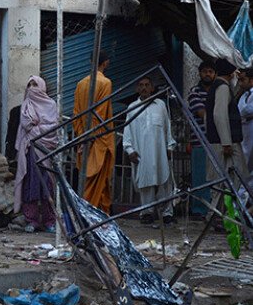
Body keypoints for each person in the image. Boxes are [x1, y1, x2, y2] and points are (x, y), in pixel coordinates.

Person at [123, 76, 176, 226]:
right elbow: (127, 131)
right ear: (137, 89)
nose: (144, 88)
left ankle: (167, 213)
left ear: (152, 88)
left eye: (147, 85)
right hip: (142, 151)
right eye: (141, 85)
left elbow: (167, 127)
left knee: (164, 182)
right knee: (145, 183)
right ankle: (147, 212)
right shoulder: (132, 107)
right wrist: (129, 150)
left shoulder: (160, 105)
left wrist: (169, 146)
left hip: (160, 151)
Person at [205, 58, 246, 230]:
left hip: (219, 141)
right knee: (227, 179)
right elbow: (219, 115)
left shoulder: (220, 87)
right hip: (223, 143)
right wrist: (226, 142)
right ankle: (215, 216)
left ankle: (221, 216)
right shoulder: (221, 88)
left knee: (225, 180)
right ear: (230, 73)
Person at [72, 49, 115, 214]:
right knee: (97, 184)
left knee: (96, 184)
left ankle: (98, 218)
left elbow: (77, 116)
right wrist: (89, 140)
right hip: (98, 141)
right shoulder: (105, 83)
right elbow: (99, 115)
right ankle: (90, 217)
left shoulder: (81, 83)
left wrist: (82, 138)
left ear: (91, 62)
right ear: (106, 63)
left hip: (85, 139)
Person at [14, 75, 58, 233]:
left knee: (47, 186)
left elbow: (52, 128)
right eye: (29, 85)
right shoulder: (26, 105)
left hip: (45, 151)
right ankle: (31, 220)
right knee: (30, 185)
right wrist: (38, 128)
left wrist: (36, 129)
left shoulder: (51, 105)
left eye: (35, 84)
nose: (32, 88)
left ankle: (49, 221)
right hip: (30, 151)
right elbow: (26, 124)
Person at [187, 60, 215, 218]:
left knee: (213, 178)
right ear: (200, 73)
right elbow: (201, 112)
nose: (208, 74)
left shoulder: (218, 90)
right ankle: (199, 210)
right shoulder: (194, 92)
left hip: (215, 141)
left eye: (211, 71)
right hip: (199, 141)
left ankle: (212, 209)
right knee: (200, 178)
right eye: (205, 71)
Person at [237, 68, 253, 217]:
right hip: (246, 133)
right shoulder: (243, 96)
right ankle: (241, 209)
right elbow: (243, 111)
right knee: (245, 170)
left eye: (243, 80)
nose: (240, 83)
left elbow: (248, 110)